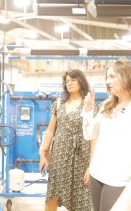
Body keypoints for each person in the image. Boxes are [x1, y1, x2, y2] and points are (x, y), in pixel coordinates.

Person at [39, 69, 93, 211]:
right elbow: (50, 130)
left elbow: (94, 138)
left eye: (73, 80)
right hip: (59, 156)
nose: (69, 83)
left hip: (80, 156)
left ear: (81, 82)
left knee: (81, 196)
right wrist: (43, 153)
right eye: (67, 81)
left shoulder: (89, 105)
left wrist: (90, 165)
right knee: (53, 194)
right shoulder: (58, 104)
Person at [83, 59, 131, 211]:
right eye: (107, 77)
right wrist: (89, 111)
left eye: (112, 76)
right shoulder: (107, 105)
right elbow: (90, 134)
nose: (107, 81)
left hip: (119, 178)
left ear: (126, 77)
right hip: (97, 173)